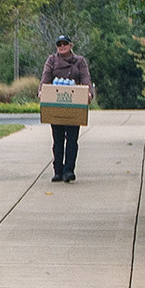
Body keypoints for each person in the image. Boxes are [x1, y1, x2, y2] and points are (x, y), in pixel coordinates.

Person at [40, 35, 93, 183]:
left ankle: (69, 170)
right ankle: (58, 170)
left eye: (65, 44)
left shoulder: (80, 61)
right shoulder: (52, 60)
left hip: (74, 106)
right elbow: (46, 77)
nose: (62, 46)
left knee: (72, 139)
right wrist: (41, 91)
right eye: (59, 44)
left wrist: (88, 93)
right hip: (56, 105)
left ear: (71, 45)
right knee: (57, 140)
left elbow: (85, 78)